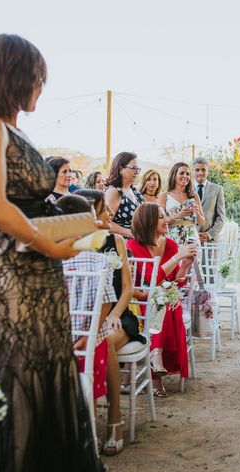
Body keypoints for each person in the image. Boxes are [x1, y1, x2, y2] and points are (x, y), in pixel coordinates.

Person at [0, 34, 101, 472]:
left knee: (48, 377)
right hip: (7, 274)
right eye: (36, 79)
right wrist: (48, 244)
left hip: (40, 273)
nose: (40, 89)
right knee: (17, 386)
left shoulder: (15, 129)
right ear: (12, 75)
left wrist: (74, 228)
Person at [74, 188, 143, 455]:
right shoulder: (72, 244)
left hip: (118, 315)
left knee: (105, 340)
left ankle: (114, 420)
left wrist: (114, 314)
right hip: (83, 316)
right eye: (105, 208)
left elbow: (127, 287)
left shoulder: (116, 241)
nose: (111, 212)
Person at [126, 203, 197, 397]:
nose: (166, 220)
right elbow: (150, 281)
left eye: (165, 215)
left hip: (163, 301)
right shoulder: (133, 246)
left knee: (166, 301)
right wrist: (177, 258)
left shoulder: (171, 245)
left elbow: (177, 282)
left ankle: (156, 356)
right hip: (139, 303)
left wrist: (185, 265)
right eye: (160, 217)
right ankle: (155, 365)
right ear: (148, 221)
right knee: (162, 302)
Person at [159, 162, 206, 245]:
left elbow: (202, 223)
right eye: (181, 173)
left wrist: (197, 212)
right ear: (174, 175)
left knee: (193, 258)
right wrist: (177, 216)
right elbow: (159, 222)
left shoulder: (194, 196)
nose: (185, 176)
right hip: (172, 237)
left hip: (192, 237)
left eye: (188, 174)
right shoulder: (164, 196)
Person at [105, 151, 143, 239]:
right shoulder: (114, 191)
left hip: (137, 241)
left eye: (138, 169)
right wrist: (130, 233)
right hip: (121, 244)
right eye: (133, 168)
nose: (137, 172)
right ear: (120, 169)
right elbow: (106, 222)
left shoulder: (134, 190)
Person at [193, 157, 226, 243]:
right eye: (197, 170)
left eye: (203, 170)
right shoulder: (185, 189)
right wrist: (193, 234)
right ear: (193, 171)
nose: (200, 172)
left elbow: (221, 217)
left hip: (210, 242)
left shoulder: (217, 189)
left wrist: (209, 234)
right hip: (190, 239)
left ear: (207, 171)